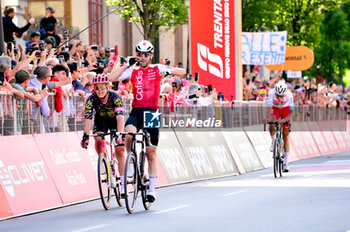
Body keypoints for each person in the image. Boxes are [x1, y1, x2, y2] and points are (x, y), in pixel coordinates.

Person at [109, 40, 186, 202]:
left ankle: (152, 189)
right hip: (136, 111)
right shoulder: (132, 69)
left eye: (145, 54)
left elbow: (183, 72)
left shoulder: (157, 68)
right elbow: (111, 78)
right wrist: (125, 66)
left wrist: (168, 71)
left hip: (152, 112)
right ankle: (131, 162)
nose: (142, 57)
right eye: (139, 54)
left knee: (151, 153)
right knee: (128, 135)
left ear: (150, 55)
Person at [80, 74, 126, 191]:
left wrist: (119, 134)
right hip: (101, 121)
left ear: (107, 87)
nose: (99, 90)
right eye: (96, 88)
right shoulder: (91, 99)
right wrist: (85, 136)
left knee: (120, 150)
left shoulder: (115, 97)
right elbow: (88, 118)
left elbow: (120, 118)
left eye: (102, 87)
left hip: (115, 120)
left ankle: (123, 182)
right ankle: (104, 161)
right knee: (98, 139)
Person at [264, 81, 295, 172]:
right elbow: (269, 106)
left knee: (286, 136)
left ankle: (286, 163)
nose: (279, 97)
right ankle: (274, 142)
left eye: (281, 96)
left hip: (286, 109)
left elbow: (292, 112)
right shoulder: (271, 92)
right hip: (276, 108)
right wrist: (267, 117)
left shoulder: (289, 95)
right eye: (278, 95)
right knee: (272, 121)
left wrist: (284, 120)